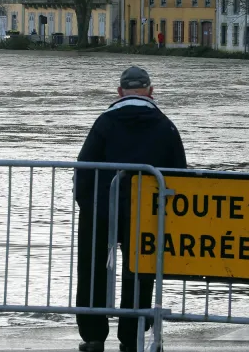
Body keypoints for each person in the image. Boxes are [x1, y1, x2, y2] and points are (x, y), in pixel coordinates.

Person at [73, 66, 187, 352]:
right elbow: (179, 174)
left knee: (92, 269)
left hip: (101, 211)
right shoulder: (165, 126)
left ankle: (93, 335)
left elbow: (83, 169)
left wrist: (89, 207)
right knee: (140, 272)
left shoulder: (104, 123)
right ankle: (132, 335)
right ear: (151, 91)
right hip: (147, 215)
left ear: (119, 92)